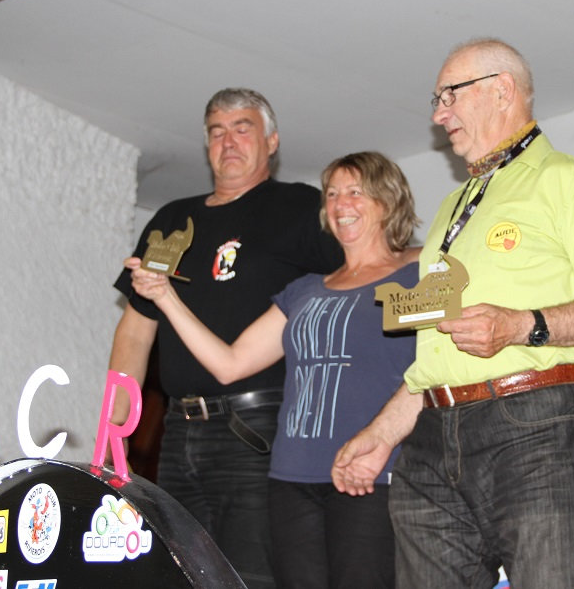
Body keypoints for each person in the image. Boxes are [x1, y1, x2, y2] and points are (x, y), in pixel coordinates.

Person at [332, 38, 574, 587]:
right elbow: (441, 353)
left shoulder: (573, 182)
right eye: (437, 101)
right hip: (431, 435)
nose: (439, 115)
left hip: (538, 426)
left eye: (450, 96)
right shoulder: (452, 206)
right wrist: (384, 433)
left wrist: (520, 326)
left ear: (501, 90)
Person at [125, 151, 420, 589]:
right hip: (291, 476)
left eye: (356, 192)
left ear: (389, 201)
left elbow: (437, 370)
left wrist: (383, 443)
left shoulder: (416, 277)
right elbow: (230, 364)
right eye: (332, 194)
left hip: (372, 473)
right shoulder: (304, 290)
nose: (340, 204)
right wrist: (165, 297)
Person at [108, 88, 344, 588]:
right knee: (179, 572)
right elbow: (135, 329)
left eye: (242, 129)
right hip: (178, 429)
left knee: (250, 575)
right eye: (217, 132)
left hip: (258, 425)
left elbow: (352, 288)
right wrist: (113, 432)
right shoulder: (172, 219)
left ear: (272, 142)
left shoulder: (301, 206)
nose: (228, 141)